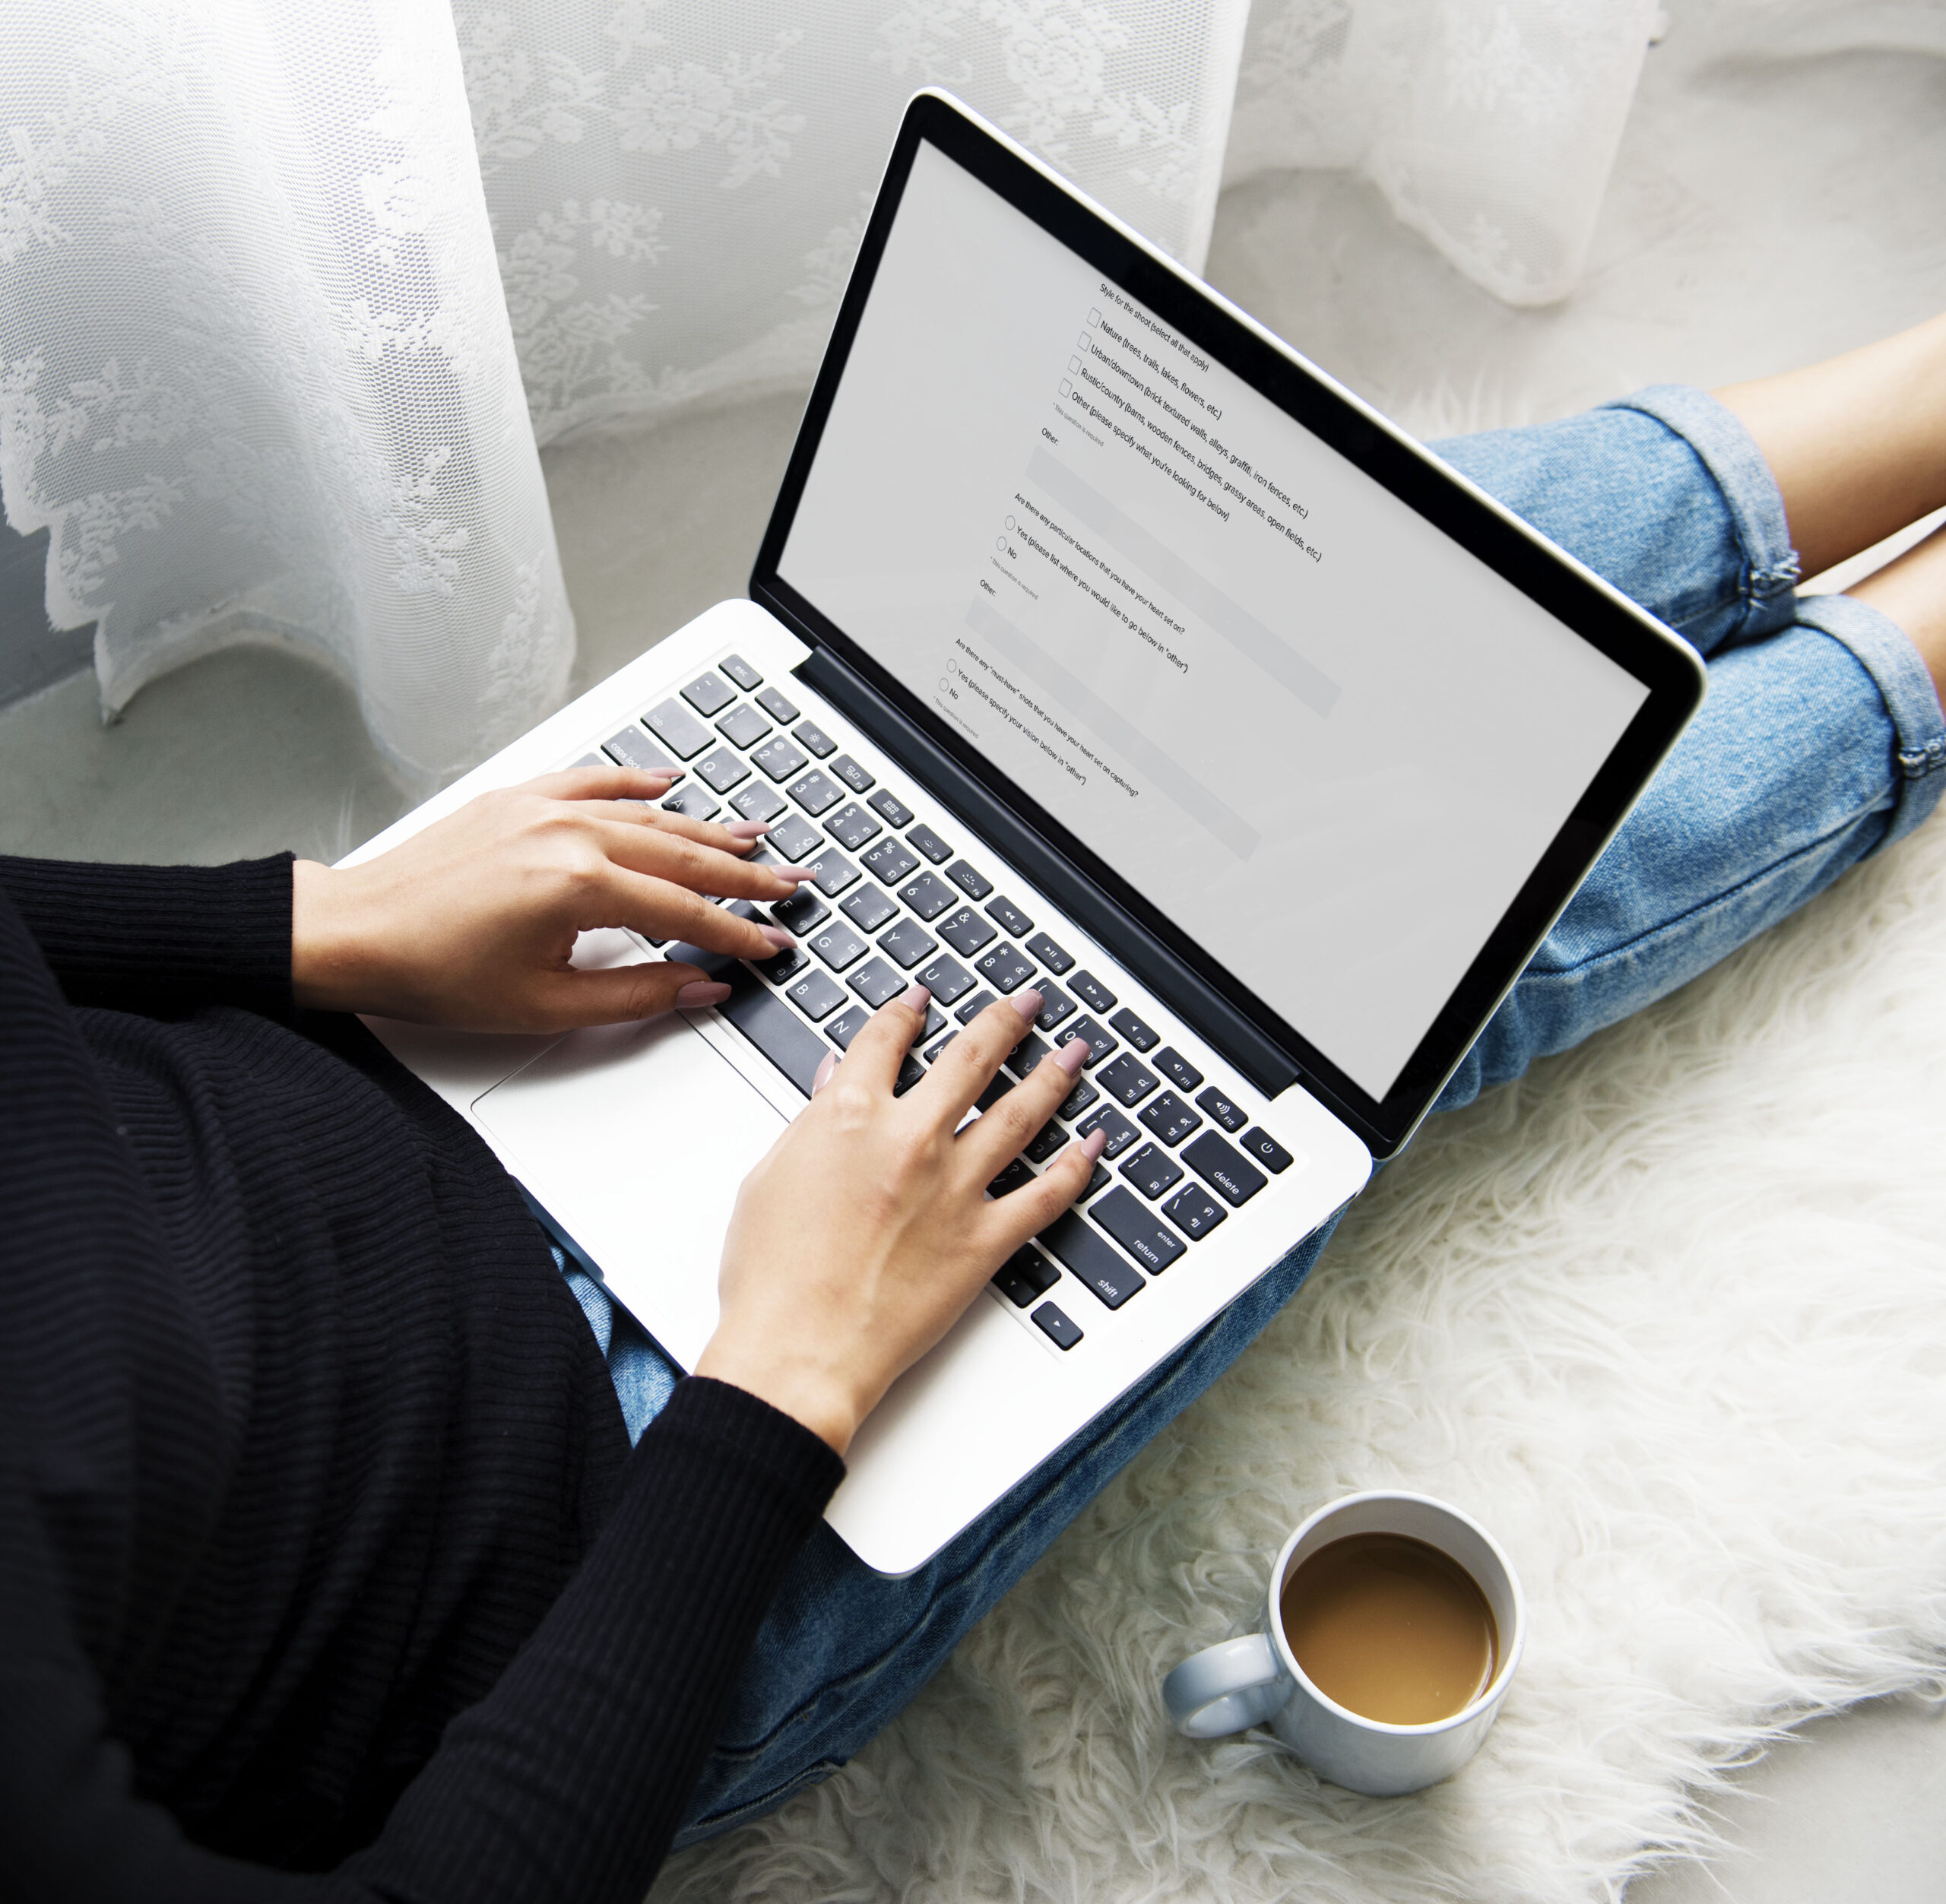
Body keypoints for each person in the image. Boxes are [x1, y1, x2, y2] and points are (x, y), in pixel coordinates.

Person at [6, 316, 1946, 1904]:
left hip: (385, 1049)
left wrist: (318, 921)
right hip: (614, 1525)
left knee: (1176, 663)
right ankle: (1914, 662)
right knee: (1338, 990)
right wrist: (785, 1379)